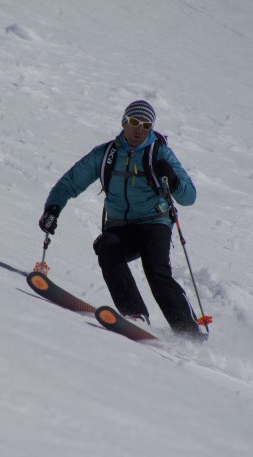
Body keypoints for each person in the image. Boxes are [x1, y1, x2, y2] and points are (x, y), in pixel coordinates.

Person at [39, 100, 204, 339]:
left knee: (156, 271)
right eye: (135, 122)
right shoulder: (106, 154)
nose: (139, 129)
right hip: (121, 227)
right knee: (106, 247)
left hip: (154, 223)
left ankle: (189, 334)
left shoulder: (159, 153)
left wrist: (174, 181)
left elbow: (190, 197)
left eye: (146, 125)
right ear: (124, 122)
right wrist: (52, 209)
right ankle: (136, 315)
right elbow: (70, 182)